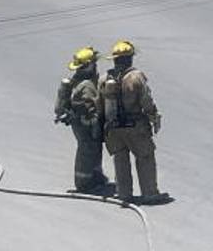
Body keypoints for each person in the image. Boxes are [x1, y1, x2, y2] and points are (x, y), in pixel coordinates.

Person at [100, 40, 170, 204]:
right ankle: (150, 193)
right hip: (135, 127)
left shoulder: (104, 78)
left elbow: (99, 103)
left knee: (120, 160)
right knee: (145, 158)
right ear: (129, 58)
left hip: (113, 128)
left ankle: (123, 194)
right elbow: (146, 101)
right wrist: (154, 117)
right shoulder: (136, 77)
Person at [54, 47, 110, 194]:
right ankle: (83, 183)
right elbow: (89, 106)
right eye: (93, 63)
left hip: (79, 122)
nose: (96, 66)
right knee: (86, 150)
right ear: (89, 65)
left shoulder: (78, 79)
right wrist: (95, 124)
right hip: (84, 124)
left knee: (94, 149)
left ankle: (96, 177)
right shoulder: (86, 84)